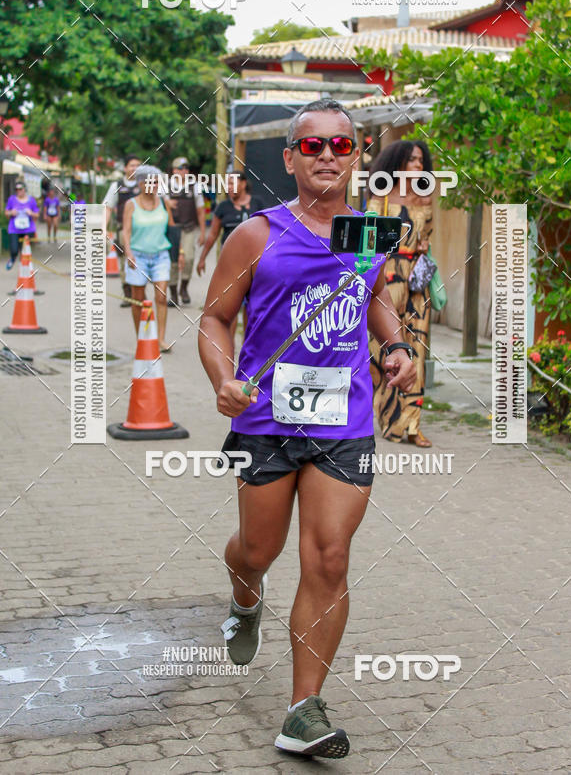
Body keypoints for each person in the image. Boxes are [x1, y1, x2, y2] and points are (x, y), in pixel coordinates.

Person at [198, 99, 416, 759]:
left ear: (357, 156)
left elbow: (373, 298)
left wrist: (395, 347)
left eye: (340, 146)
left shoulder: (366, 234)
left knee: (328, 556)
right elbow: (214, 318)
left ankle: (303, 711)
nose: (327, 156)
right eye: (312, 146)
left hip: (342, 421)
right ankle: (244, 596)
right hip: (266, 418)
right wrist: (224, 382)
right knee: (258, 552)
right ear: (290, 158)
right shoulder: (257, 234)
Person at [367, 140, 434, 447]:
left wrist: (422, 250)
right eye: (411, 160)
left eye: (421, 161)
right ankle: (389, 417)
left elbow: (426, 238)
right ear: (397, 163)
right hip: (387, 276)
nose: (418, 166)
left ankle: (412, 425)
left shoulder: (426, 198)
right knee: (385, 348)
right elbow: (368, 240)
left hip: (417, 282)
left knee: (417, 348)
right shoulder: (380, 196)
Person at [196, 171, 266, 336]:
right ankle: (228, 347)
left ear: (243, 184)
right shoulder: (223, 207)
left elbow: (268, 231)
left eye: (233, 183)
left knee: (252, 308)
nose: (229, 187)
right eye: (227, 184)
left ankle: (247, 348)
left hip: (256, 265)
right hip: (231, 267)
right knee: (230, 307)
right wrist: (202, 258)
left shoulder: (258, 204)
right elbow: (213, 234)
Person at [121, 165, 180, 352]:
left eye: (156, 182)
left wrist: (181, 253)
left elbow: (172, 229)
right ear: (140, 183)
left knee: (161, 295)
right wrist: (128, 253)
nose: (154, 185)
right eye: (150, 182)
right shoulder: (131, 204)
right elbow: (126, 231)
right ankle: (142, 339)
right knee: (138, 298)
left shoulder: (163, 202)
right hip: (138, 256)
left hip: (161, 255)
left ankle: (160, 339)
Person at [104, 154, 142, 307]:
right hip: (122, 230)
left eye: (138, 165)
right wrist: (104, 228)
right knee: (123, 262)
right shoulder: (116, 186)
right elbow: (107, 207)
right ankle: (127, 294)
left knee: (140, 260)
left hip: (140, 231)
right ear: (125, 168)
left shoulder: (144, 185)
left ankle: (138, 293)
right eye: (132, 165)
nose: (135, 168)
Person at [167, 157, 206, 307]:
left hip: (189, 228)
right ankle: (173, 294)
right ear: (174, 170)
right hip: (172, 229)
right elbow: (158, 203)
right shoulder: (166, 186)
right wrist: (166, 202)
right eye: (181, 168)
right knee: (173, 262)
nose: (185, 171)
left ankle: (183, 287)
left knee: (189, 259)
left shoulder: (194, 186)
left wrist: (203, 232)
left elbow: (201, 211)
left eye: (186, 168)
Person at [4, 181, 39, 269]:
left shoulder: (31, 200)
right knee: (14, 249)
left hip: (28, 229)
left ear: (24, 189)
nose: (18, 191)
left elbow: (37, 214)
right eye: (17, 189)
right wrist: (11, 212)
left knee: (25, 250)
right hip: (14, 229)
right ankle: (12, 259)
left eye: (20, 189)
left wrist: (31, 213)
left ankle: (24, 266)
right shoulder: (12, 199)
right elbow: (6, 213)